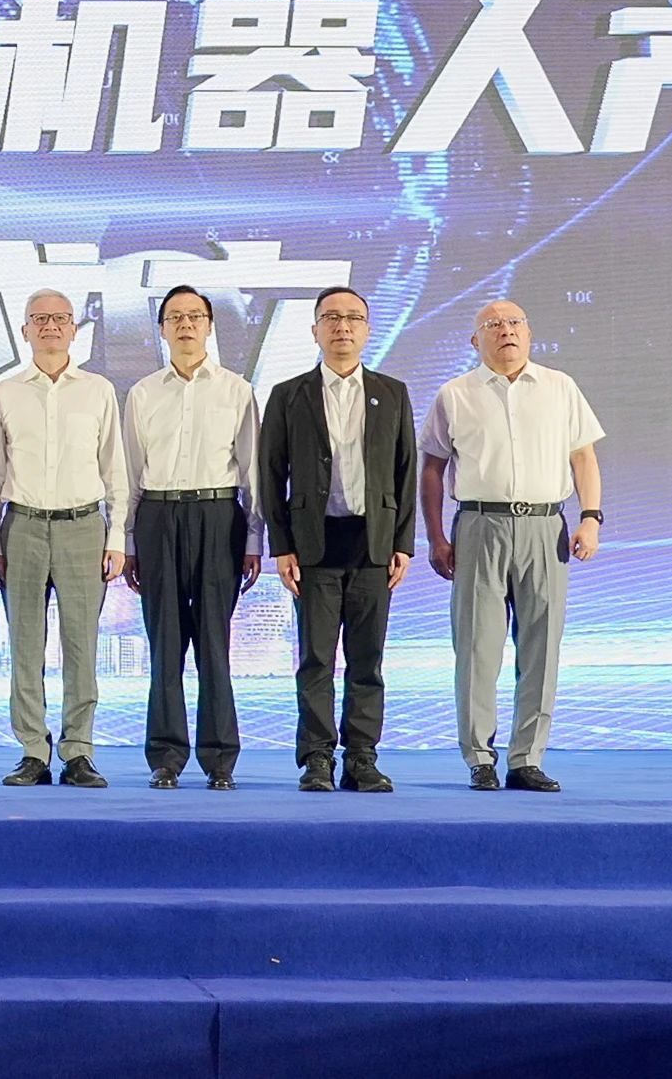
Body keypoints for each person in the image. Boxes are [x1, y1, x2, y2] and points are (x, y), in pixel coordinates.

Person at [421, 298, 605, 793]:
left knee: (542, 647)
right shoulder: (455, 394)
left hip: (546, 526)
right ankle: (479, 757)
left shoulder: (560, 386)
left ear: (529, 332)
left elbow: (583, 457)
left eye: (515, 322)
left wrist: (590, 518)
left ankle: (527, 758)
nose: (506, 330)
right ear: (475, 340)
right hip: (479, 525)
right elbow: (433, 468)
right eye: (493, 324)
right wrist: (436, 535)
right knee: (476, 647)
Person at [259, 286, 415, 794]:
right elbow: (270, 474)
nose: (342, 327)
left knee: (367, 661)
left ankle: (362, 758)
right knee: (316, 660)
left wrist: (403, 543)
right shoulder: (289, 394)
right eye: (331, 318)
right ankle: (317, 758)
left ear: (366, 330)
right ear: (315, 331)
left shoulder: (392, 392)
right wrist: (282, 545)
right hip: (314, 546)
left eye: (353, 318)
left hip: (373, 544)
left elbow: (406, 470)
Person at [0, 288, 125, 788]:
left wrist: (117, 537)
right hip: (21, 526)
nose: (50, 326)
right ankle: (32, 751)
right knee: (25, 645)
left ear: (73, 329)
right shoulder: (4, 393)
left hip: (84, 526)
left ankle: (78, 750)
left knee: (81, 645)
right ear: (24, 331)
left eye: (60, 318)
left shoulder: (98, 390)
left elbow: (115, 469)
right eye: (39, 319)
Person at [123, 284, 259, 789]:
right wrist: (129, 541)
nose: (185, 324)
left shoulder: (236, 390)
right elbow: (129, 474)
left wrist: (253, 540)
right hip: (158, 515)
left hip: (219, 515)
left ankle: (220, 758)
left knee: (213, 644)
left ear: (209, 326)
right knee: (164, 643)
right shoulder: (143, 392)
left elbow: (252, 472)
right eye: (175, 317)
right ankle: (166, 756)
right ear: (162, 329)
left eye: (194, 316)